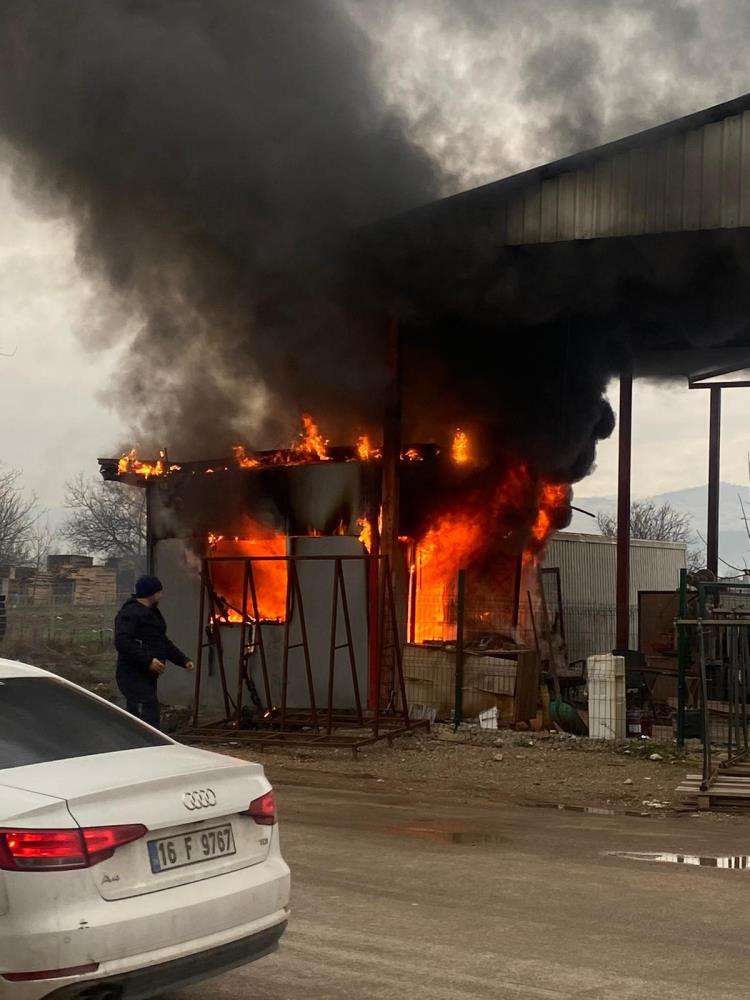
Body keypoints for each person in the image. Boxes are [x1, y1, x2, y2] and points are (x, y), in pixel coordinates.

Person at [114, 575, 194, 729]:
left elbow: (162, 642)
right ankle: (142, 746)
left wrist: (183, 660)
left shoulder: (151, 613)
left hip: (146, 676)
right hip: (132, 676)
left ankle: (146, 744)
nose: (161, 595)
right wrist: (148, 661)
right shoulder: (130, 613)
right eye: (159, 592)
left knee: (149, 712)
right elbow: (122, 642)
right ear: (152, 593)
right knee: (144, 716)